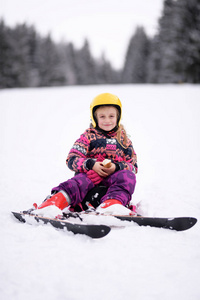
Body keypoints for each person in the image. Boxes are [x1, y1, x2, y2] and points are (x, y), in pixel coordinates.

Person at [33, 93, 138, 216]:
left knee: (127, 177)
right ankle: (54, 203)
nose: (107, 120)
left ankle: (111, 205)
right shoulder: (88, 136)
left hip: (112, 189)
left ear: (118, 117)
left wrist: (117, 167)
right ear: (95, 117)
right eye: (102, 116)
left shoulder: (124, 141)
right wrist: (91, 164)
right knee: (79, 181)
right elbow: (72, 159)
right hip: (87, 189)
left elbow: (133, 167)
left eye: (111, 116)